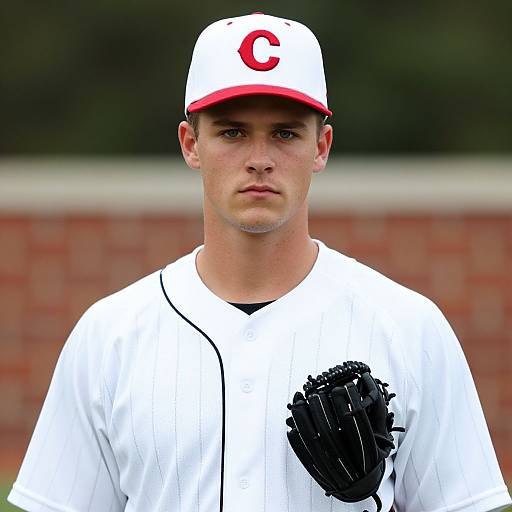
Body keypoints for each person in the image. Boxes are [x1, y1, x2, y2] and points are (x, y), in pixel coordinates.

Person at [8, 12, 512, 512]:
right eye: (232, 132)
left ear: (322, 146)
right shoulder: (108, 337)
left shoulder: (410, 328)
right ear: (191, 144)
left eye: (286, 133)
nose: (259, 158)